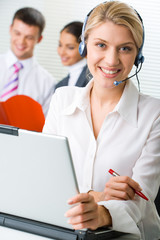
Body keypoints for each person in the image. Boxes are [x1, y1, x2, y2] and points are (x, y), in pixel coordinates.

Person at [43, 1, 160, 239]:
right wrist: (101, 196)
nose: (111, 60)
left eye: (125, 48)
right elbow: (45, 180)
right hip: (64, 230)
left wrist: (102, 213)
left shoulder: (154, 114)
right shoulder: (62, 99)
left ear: (138, 56)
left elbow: (141, 199)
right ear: (84, 46)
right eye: (101, 45)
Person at [0, 7, 56, 116]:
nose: (21, 41)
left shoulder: (47, 83)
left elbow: (43, 127)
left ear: (39, 39)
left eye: (29, 37)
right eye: (17, 33)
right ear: (10, 29)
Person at [55, 21, 89, 90]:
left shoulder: (92, 78)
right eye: (60, 45)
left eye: (70, 47)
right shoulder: (60, 85)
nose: (62, 52)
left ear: (84, 48)